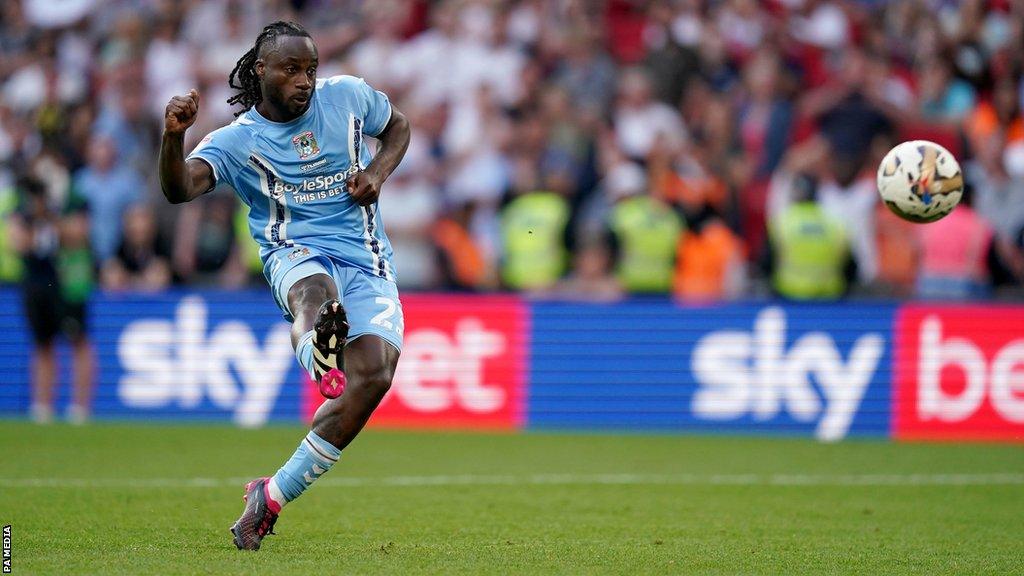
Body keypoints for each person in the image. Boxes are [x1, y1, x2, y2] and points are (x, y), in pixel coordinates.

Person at [157, 21, 410, 551]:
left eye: (310, 69)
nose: (305, 80)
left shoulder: (348, 97)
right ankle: (320, 353)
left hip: (367, 259)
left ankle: (268, 497)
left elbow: (399, 129)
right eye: (292, 69)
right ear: (260, 71)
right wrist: (173, 135)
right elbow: (180, 188)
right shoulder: (235, 141)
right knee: (315, 295)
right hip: (293, 252)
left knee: (374, 378)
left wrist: (379, 173)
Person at [8, 176, 95, 424]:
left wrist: (50, 218)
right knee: (42, 343)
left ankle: (80, 408)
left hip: (66, 283)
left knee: (78, 340)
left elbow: (78, 235)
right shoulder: (23, 209)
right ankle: (42, 406)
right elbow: (20, 244)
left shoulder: (71, 200)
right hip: (35, 283)